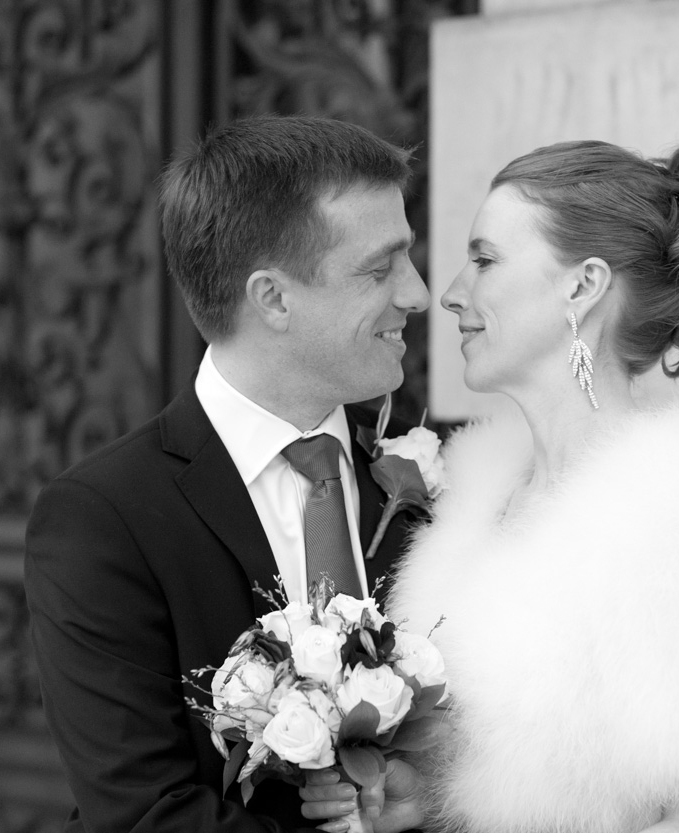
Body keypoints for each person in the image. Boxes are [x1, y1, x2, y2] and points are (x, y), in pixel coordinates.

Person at [300, 140, 679, 832]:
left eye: (485, 260)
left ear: (583, 287)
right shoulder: (472, 494)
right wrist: (423, 798)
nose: (451, 293)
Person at [24, 115, 431, 833]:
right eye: (380, 268)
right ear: (272, 298)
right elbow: (147, 813)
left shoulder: (433, 471)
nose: (418, 293)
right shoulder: (103, 518)